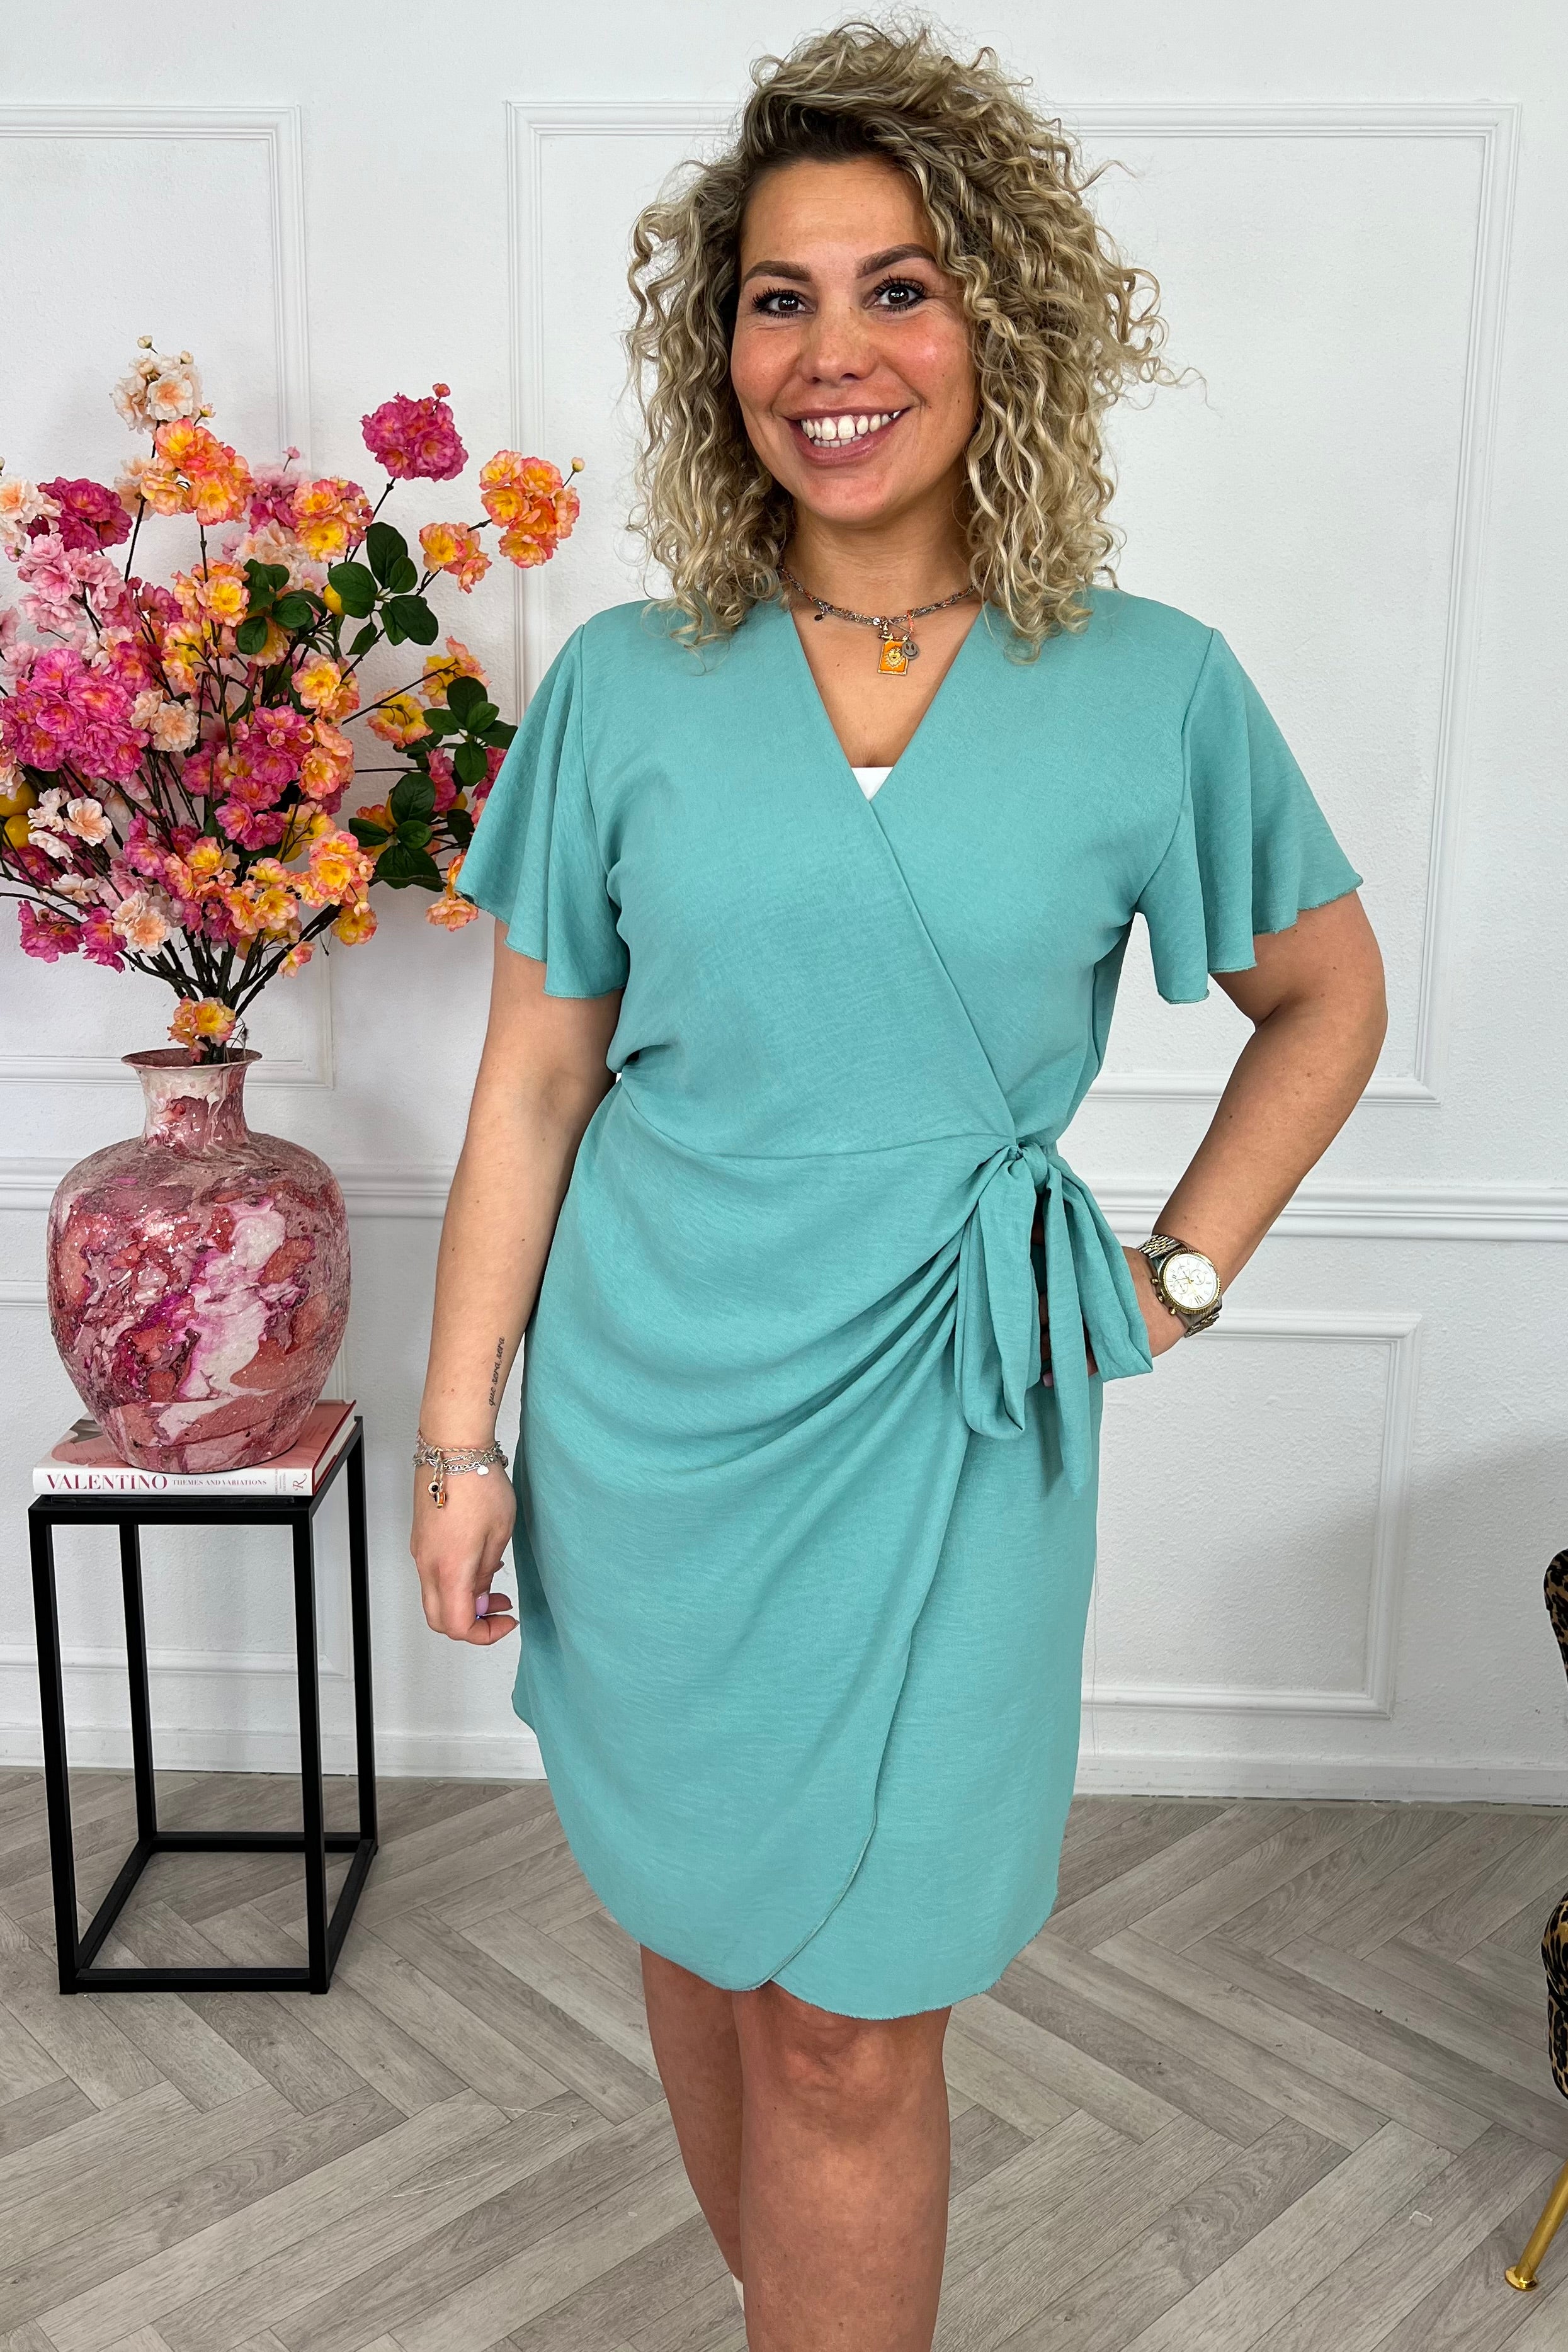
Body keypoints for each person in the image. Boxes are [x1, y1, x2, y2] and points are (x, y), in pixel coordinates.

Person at [409, 20, 1387, 2349]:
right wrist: (460, 1440)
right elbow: (533, 1087)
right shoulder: (626, 685)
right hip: (648, 1415)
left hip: (956, 1413)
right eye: (779, 297)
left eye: (897, 288)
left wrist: (1175, 1275)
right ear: (719, 347)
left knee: (856, 2024)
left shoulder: (1150, 685)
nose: (831, 352)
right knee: (698, 1936)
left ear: (998, 325)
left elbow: (1326, 999)